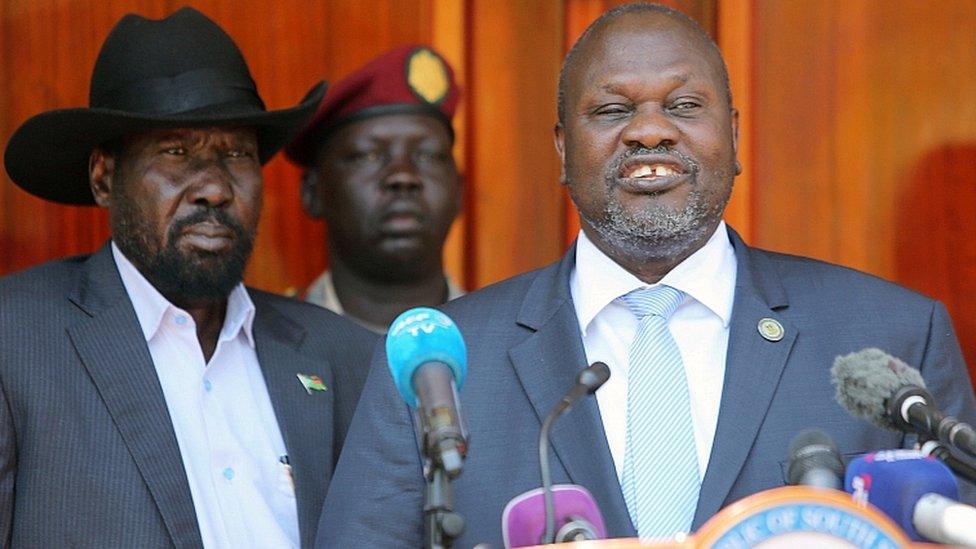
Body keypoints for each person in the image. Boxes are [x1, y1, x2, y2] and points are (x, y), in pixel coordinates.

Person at [316, 3, 976, 547]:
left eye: (685, 105)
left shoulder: (895, 339)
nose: (651, 132)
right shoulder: (439, 361)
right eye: (611, 111)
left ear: (736, 138)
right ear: (562, 148)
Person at [0, 8, 377, 548]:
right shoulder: (16, 341)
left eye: (236, 154)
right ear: (105, 177)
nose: (215, 189)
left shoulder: (342, 356)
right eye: (176, 152)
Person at [285, 45, 464, 333]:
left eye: (428, 155)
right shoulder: (265, 351)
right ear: (312, 192)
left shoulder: (507, 346)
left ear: (459, 191)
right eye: (368, 156)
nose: (403, 176)